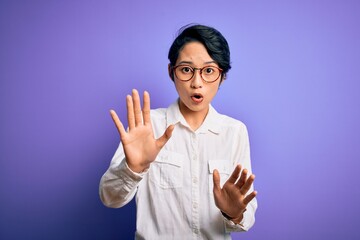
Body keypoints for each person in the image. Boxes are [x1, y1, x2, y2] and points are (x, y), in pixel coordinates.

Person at [99, 24, 258, 240]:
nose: (196, 83)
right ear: (170, 72)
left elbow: (246, 219)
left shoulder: (235, 132)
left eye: (209, 71)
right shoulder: (147, 127)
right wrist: (132, 169)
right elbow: (110, 198)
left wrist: (234, 212)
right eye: (186, 69)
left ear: (223, 76)